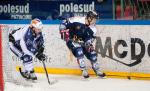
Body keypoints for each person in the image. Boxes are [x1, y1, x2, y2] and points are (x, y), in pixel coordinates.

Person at [59, 11, 106, 78]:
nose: (95, 21)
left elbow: (90, 39)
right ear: (89, 18)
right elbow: (64, 23)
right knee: (79, 51)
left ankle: (97, 69)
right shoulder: (77, 20)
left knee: (92, 53)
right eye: (94, 19)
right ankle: (83, 70)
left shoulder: (94, 29)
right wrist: (62, 31)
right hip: (72, 40)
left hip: (83, 42)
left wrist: (88, 44)